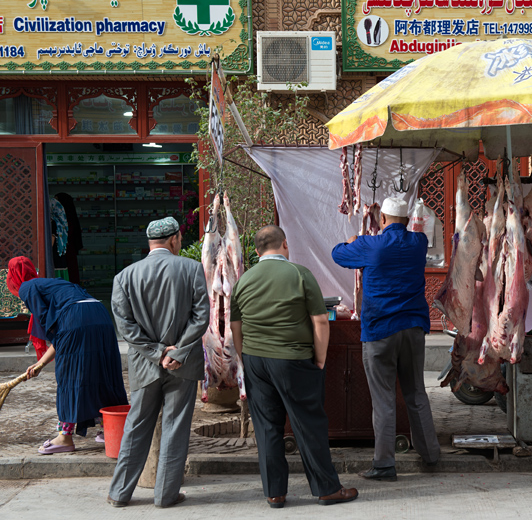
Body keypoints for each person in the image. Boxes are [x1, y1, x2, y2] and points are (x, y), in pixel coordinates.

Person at [230, 225, 358, 508]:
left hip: (255, 360)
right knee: (308, 423)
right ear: (285, 245)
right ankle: (326, 489)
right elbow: (321, 320)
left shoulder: (244, 280)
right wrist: (320, 358)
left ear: (256, 251)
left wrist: (244, 358)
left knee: (266, 426)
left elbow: (235, 326)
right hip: (292, 359)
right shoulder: (300, 274)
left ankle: (275, 493)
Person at [331, 196, 440, 482]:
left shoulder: (369, 245)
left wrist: (353, 239)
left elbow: (338, 254)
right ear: (406, 221)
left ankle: (384, 464)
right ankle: (430, 455)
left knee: (384, 399)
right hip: (413, 329)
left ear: (382, 220)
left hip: (380, 331)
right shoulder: (419, 244)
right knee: (416, 392)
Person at [107, 217, 209, 508]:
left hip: (145, 366)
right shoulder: (191, 269)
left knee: (136, 427)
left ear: (149, 243)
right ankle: (165, 495)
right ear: (175, 239)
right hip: (184, 364)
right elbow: (202, 316)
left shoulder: (124, 277)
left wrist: (156, 352)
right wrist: (175, 354)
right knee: (175, 429)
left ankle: (119, 494)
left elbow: (125, 327)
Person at [6, 256, 127, 454]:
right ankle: (110, 429)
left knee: (69, 375)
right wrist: (41, 364)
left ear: (13, 278)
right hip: (101, 316)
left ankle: (65, 437)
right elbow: (63, 333)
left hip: (76, 319)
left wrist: (45, 360)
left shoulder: (26, 287)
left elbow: (54, 327)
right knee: (102, 371)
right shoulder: (53, 284)